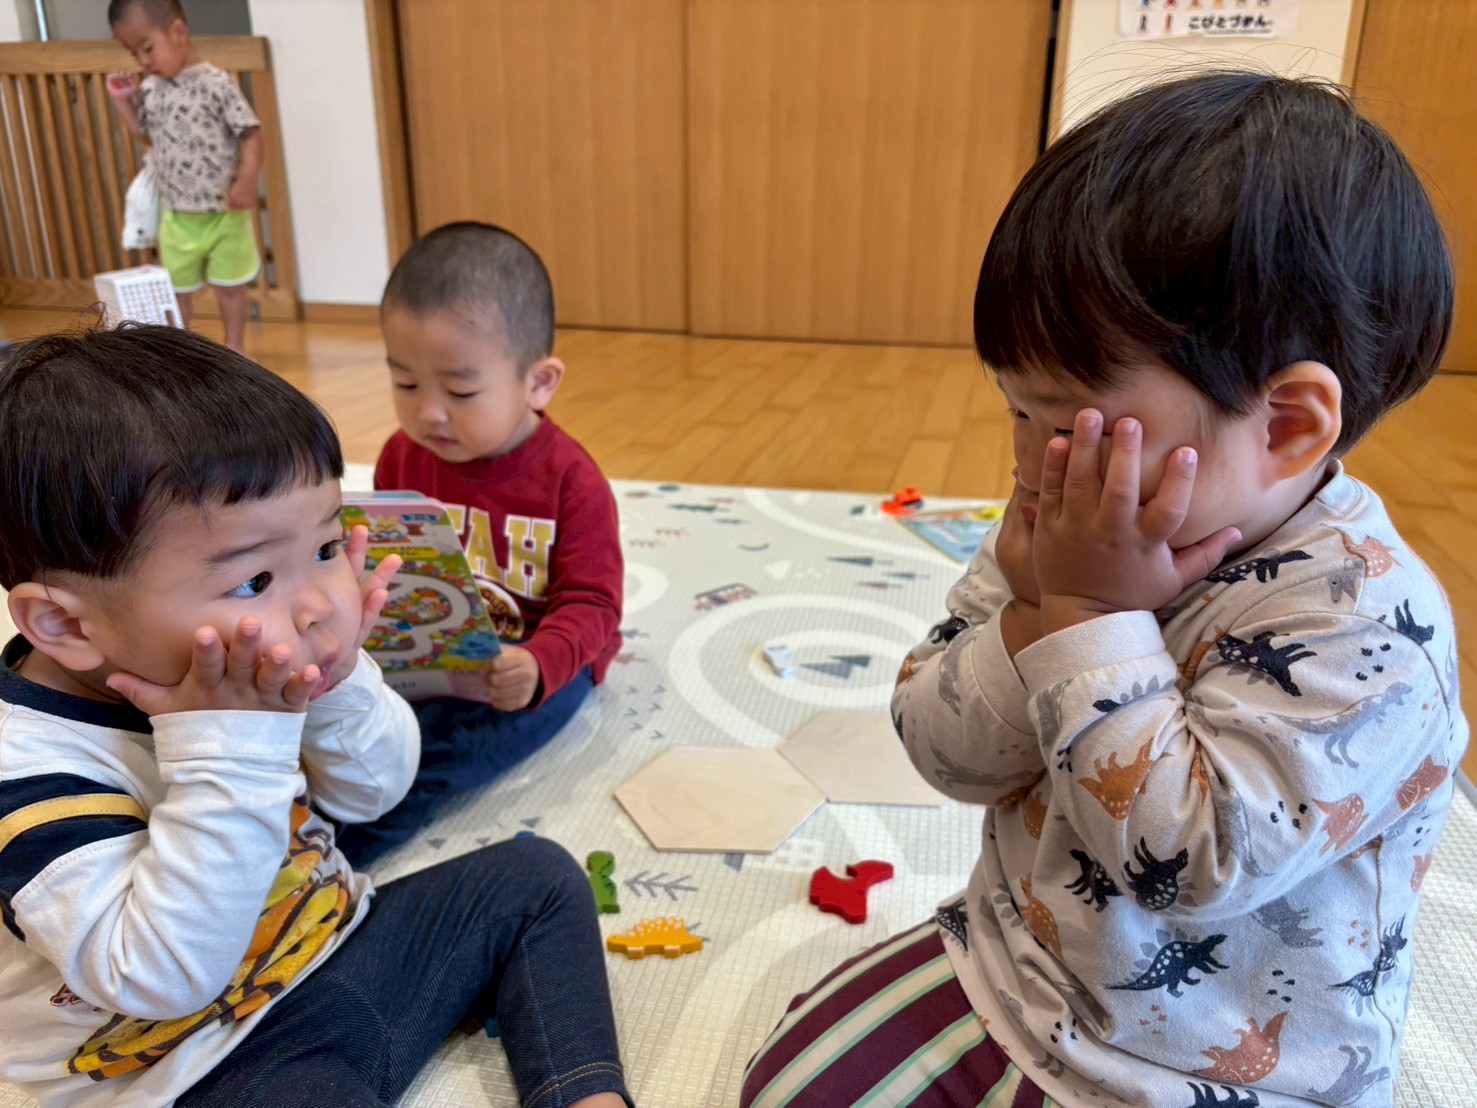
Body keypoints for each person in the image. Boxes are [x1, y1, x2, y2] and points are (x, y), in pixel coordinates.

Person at [742, 71, 1467, 1107]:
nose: (1026, 461)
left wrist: (1089, 618)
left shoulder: (1368, 628)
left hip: (1194, 1073)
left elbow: (1183, 867)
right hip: (1024, 960)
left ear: (1286, 425)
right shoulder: (1068, 528)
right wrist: (1031, 614)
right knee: (788, 1079)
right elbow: (943, 750)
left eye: (1060, 420)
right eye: (1015, 410)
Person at [0, 326, 630, 1108]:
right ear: (65, 625)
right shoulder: (28, 770)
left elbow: (375, 791)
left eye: (327, 548)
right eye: (254, 579)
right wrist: (231, 748)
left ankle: (584, 1096)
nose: (320, 604)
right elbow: (160, 976)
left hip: (336, 949)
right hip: (198, 1066)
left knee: (535, 878)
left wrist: (337, 684)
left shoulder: (264, 660)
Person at [334, 222, 623, 867]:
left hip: (533, 662)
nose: (429, 412)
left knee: (449, 749)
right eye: (406, 384)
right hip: (431, 650)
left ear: (538, 382)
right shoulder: (403, 456)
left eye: (460, 391)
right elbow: (391, 562)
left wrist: (541, 664)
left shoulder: (572, 482)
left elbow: (595, 605)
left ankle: (343, 864)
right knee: (338, 707)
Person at [106, 0, 262, 354]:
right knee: (176, 292)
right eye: (134, 53)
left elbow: (251, 134)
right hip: (177, 216)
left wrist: (247, 180)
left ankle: (236, 349)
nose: (143, 61)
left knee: (231, 288)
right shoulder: (150, 89)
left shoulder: (216, 82)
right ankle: (182, 355)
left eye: (148, 48)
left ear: (178, 31)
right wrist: (122, 102)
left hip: (224, 214)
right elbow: (147, 135)